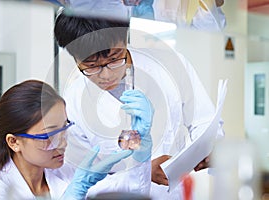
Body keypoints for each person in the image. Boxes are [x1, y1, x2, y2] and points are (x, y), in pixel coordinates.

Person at [54, 8, 224, 200]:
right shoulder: (74, 103)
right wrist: (142, 171)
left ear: (126, 37)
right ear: (75, 59)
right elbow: (80, 178)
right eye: (91, 66)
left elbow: (205, 121)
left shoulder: (171, 65)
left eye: (114, 58)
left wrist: (208, 149)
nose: (106, 75)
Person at [0, 80, 153, 199]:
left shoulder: (66, 174)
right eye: (49, 136)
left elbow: (131, 192)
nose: (63, 143)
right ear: (14, 142)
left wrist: (140, 154)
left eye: (64, 129)